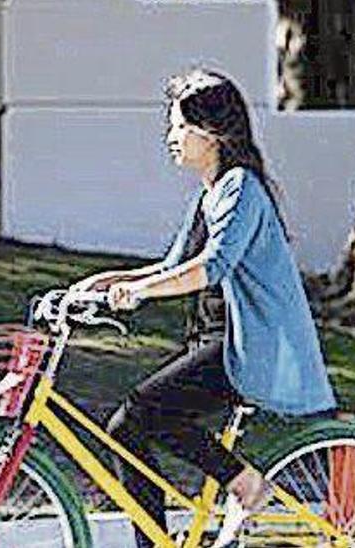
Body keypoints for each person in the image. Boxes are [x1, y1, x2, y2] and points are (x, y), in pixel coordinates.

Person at [70, 68, 338, 547]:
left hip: (247, 347)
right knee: (125, 428)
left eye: (178, 126)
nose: (170, 137)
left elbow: (208, 269)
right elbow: (173, 265)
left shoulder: (241, 188)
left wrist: (141, 293)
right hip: (215, 341)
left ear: (212, 131)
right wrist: (102, 284)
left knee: (140, 414)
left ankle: (245, 483)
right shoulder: (210, 194)